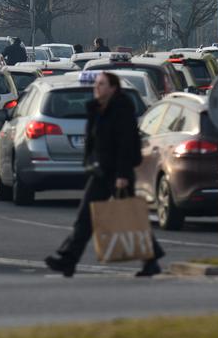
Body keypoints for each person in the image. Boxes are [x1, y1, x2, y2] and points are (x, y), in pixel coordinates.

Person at [46, 72, 163, 278]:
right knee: (85, 217)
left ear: (113, 88)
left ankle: (151, 260)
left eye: (102, 84)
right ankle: (68, 259)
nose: (97, 88)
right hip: (101, 171)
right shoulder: (97, 109)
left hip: (118, 172)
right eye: (96, 84)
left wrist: (123, 174)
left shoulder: (121, 109)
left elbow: (125, 144)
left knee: (130, 217)